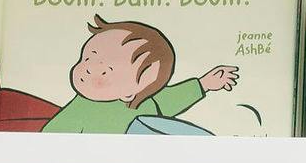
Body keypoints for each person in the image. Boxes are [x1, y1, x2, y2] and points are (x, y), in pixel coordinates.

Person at [44, 17, 237, 133]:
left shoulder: (147, 103)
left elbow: (171, 99)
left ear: (131, 93)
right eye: (87, 58)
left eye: (105, 71)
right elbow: (52, 139)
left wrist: (204, 84)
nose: (88, 69)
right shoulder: (82, 108)